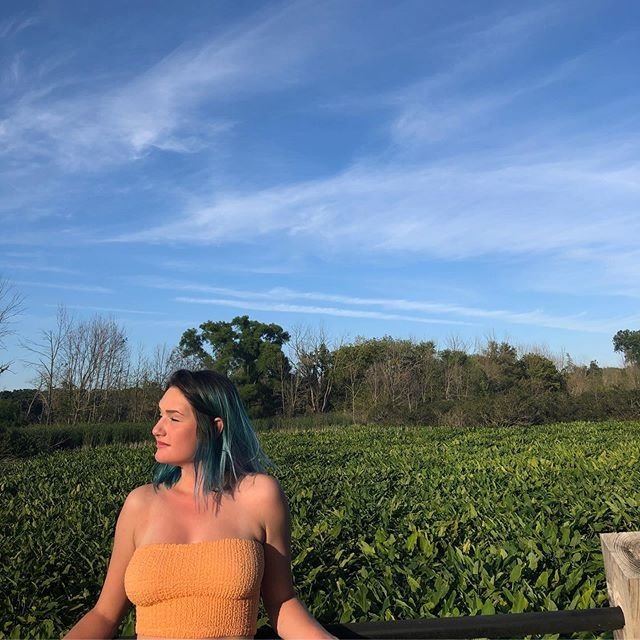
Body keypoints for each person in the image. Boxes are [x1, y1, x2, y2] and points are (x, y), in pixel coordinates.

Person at [65, 369, 336, 640]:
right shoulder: (140, 504)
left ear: (215, 428)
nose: (157, 429)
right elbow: (104, 615)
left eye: (173, 418)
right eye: (160, 415)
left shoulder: (260, 497)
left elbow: (282, 602)